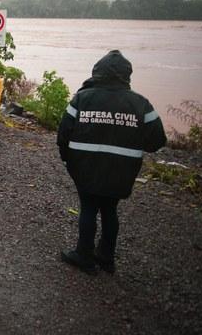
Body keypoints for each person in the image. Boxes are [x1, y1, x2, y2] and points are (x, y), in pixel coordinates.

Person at [57, 50, 166, 275]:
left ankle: (84, 256)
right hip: (121, 171)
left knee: (88, 208)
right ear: (126, 75)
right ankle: (106, 257)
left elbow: (63, 133)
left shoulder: (82, 98)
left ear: (97, 72)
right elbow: (157, 141)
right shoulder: (141, 104)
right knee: (109, 209)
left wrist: (68, 160)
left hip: (84, 167)